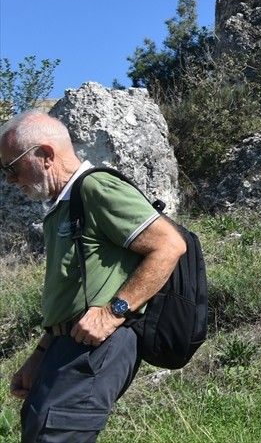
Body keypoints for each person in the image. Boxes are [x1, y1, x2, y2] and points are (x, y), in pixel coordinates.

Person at [3, 112, 186, 443]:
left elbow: (169, 245)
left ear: (45, 155)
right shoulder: (64, 206)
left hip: (97, 345)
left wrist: (113, 311)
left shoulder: (96, 188)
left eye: (11, 167)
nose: (9, 180)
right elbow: (72, 298)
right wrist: (38, 359)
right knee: (39, 427)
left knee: (56, 434)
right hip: (66, 345)